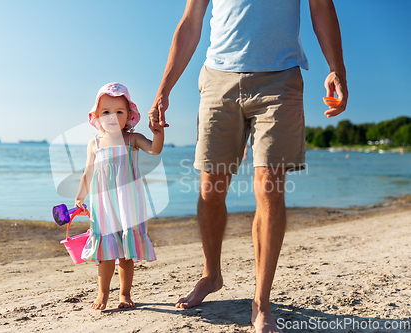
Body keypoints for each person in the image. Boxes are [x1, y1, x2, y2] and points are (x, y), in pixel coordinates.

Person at [149, 1, 348, 332]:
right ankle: (211, 274)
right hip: (217, 79)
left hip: (279, 81)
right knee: (210, 189)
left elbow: (322, 8)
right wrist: (163, 89)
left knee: (269, 188)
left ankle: (261, 301)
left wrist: (336, 68)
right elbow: (190, 21)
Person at [75, 82, 164, 310]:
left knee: (126, 253)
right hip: (103, 204)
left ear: (129, 116)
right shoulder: (94, 143)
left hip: (128, 204)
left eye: (119, 112)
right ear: (97, 116)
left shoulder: (132, 139)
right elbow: (89, 171)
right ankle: (103, 293)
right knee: (105, 252)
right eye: (106, 112)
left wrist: (159, 132)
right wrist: (80, 197)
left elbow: (154, 149)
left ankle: (124, 294)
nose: (112, 117)